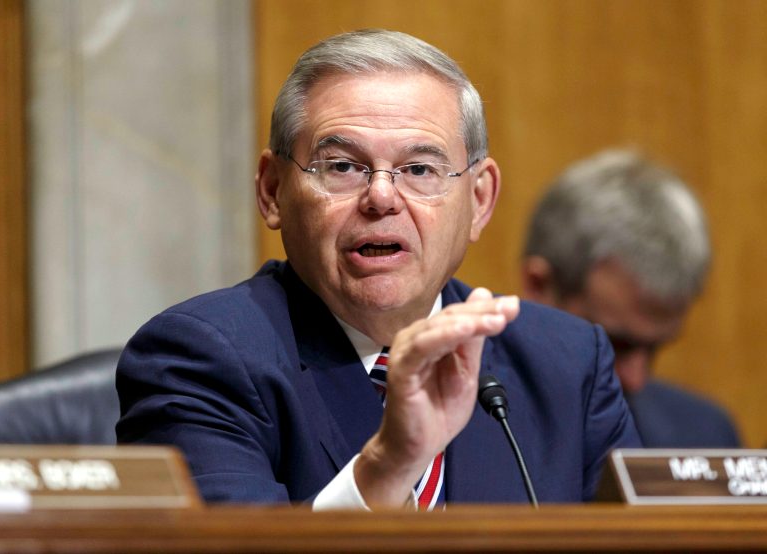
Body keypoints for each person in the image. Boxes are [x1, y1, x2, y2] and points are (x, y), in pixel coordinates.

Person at [116, 30, 640, 509]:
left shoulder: (567, 365)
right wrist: (387, 466)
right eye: (342, 166)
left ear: (479, 200)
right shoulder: (199, 359)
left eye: (419, 169)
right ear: (273, 190)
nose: (382, 197)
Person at [521, 149, 741, 448]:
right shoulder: (455, 433)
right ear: (539, 286)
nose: (635, 380)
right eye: (614, 345)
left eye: (654, 349)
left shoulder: (704, 437)